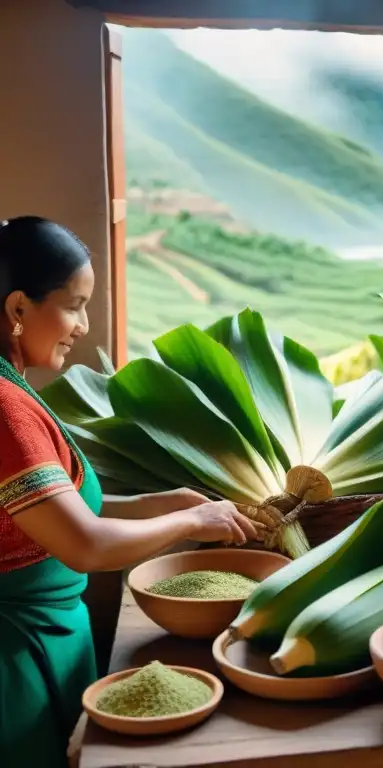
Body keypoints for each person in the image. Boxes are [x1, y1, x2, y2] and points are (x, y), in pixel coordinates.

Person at [0, 216, 261, 767]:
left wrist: (162, 504)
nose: (82, 326)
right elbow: (84, 545)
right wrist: (190, 526)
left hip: (45, 640)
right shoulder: (5, 407)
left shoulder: (14, 386)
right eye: (73, 305)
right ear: (19, 308)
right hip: (14, 663)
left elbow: (56, 515)